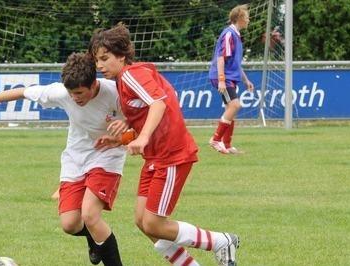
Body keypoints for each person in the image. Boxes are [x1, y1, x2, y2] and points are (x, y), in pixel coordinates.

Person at [89, 23, 239, 266]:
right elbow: (154, 104)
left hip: (172, 155)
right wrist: (122, 137)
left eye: (104, 59)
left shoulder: (130, 74)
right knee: (142, 221)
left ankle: (222, 241)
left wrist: (144, 137)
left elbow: (158, 103)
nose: (99, 66)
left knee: (153, 223)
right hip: (156, 157)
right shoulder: (125, 79)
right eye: (97, 60)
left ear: (122, 55)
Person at [0, 53, 126, 266]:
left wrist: (124, 136)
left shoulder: (115, 94)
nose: (74, 98)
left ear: (94, 84)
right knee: (70, 224)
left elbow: (140, 120)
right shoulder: (61, 93)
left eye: (79, 93)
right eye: (71, 93)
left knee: (90, 215)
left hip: (107, 156)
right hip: (75, 158)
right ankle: (95, 239)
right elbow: (22, 92)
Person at [208, 4, 254, 154]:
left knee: (230, 109)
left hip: (229, 77)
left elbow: (235, 63)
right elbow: (221, 58)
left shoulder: (236, 35)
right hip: (223, 77)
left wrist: (246, 80)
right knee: (235, 105)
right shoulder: (229, 34)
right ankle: (216, 140)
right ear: (239, 19)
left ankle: (227, 145)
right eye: (246, 17)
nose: (248, 20)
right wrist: (221, 79)